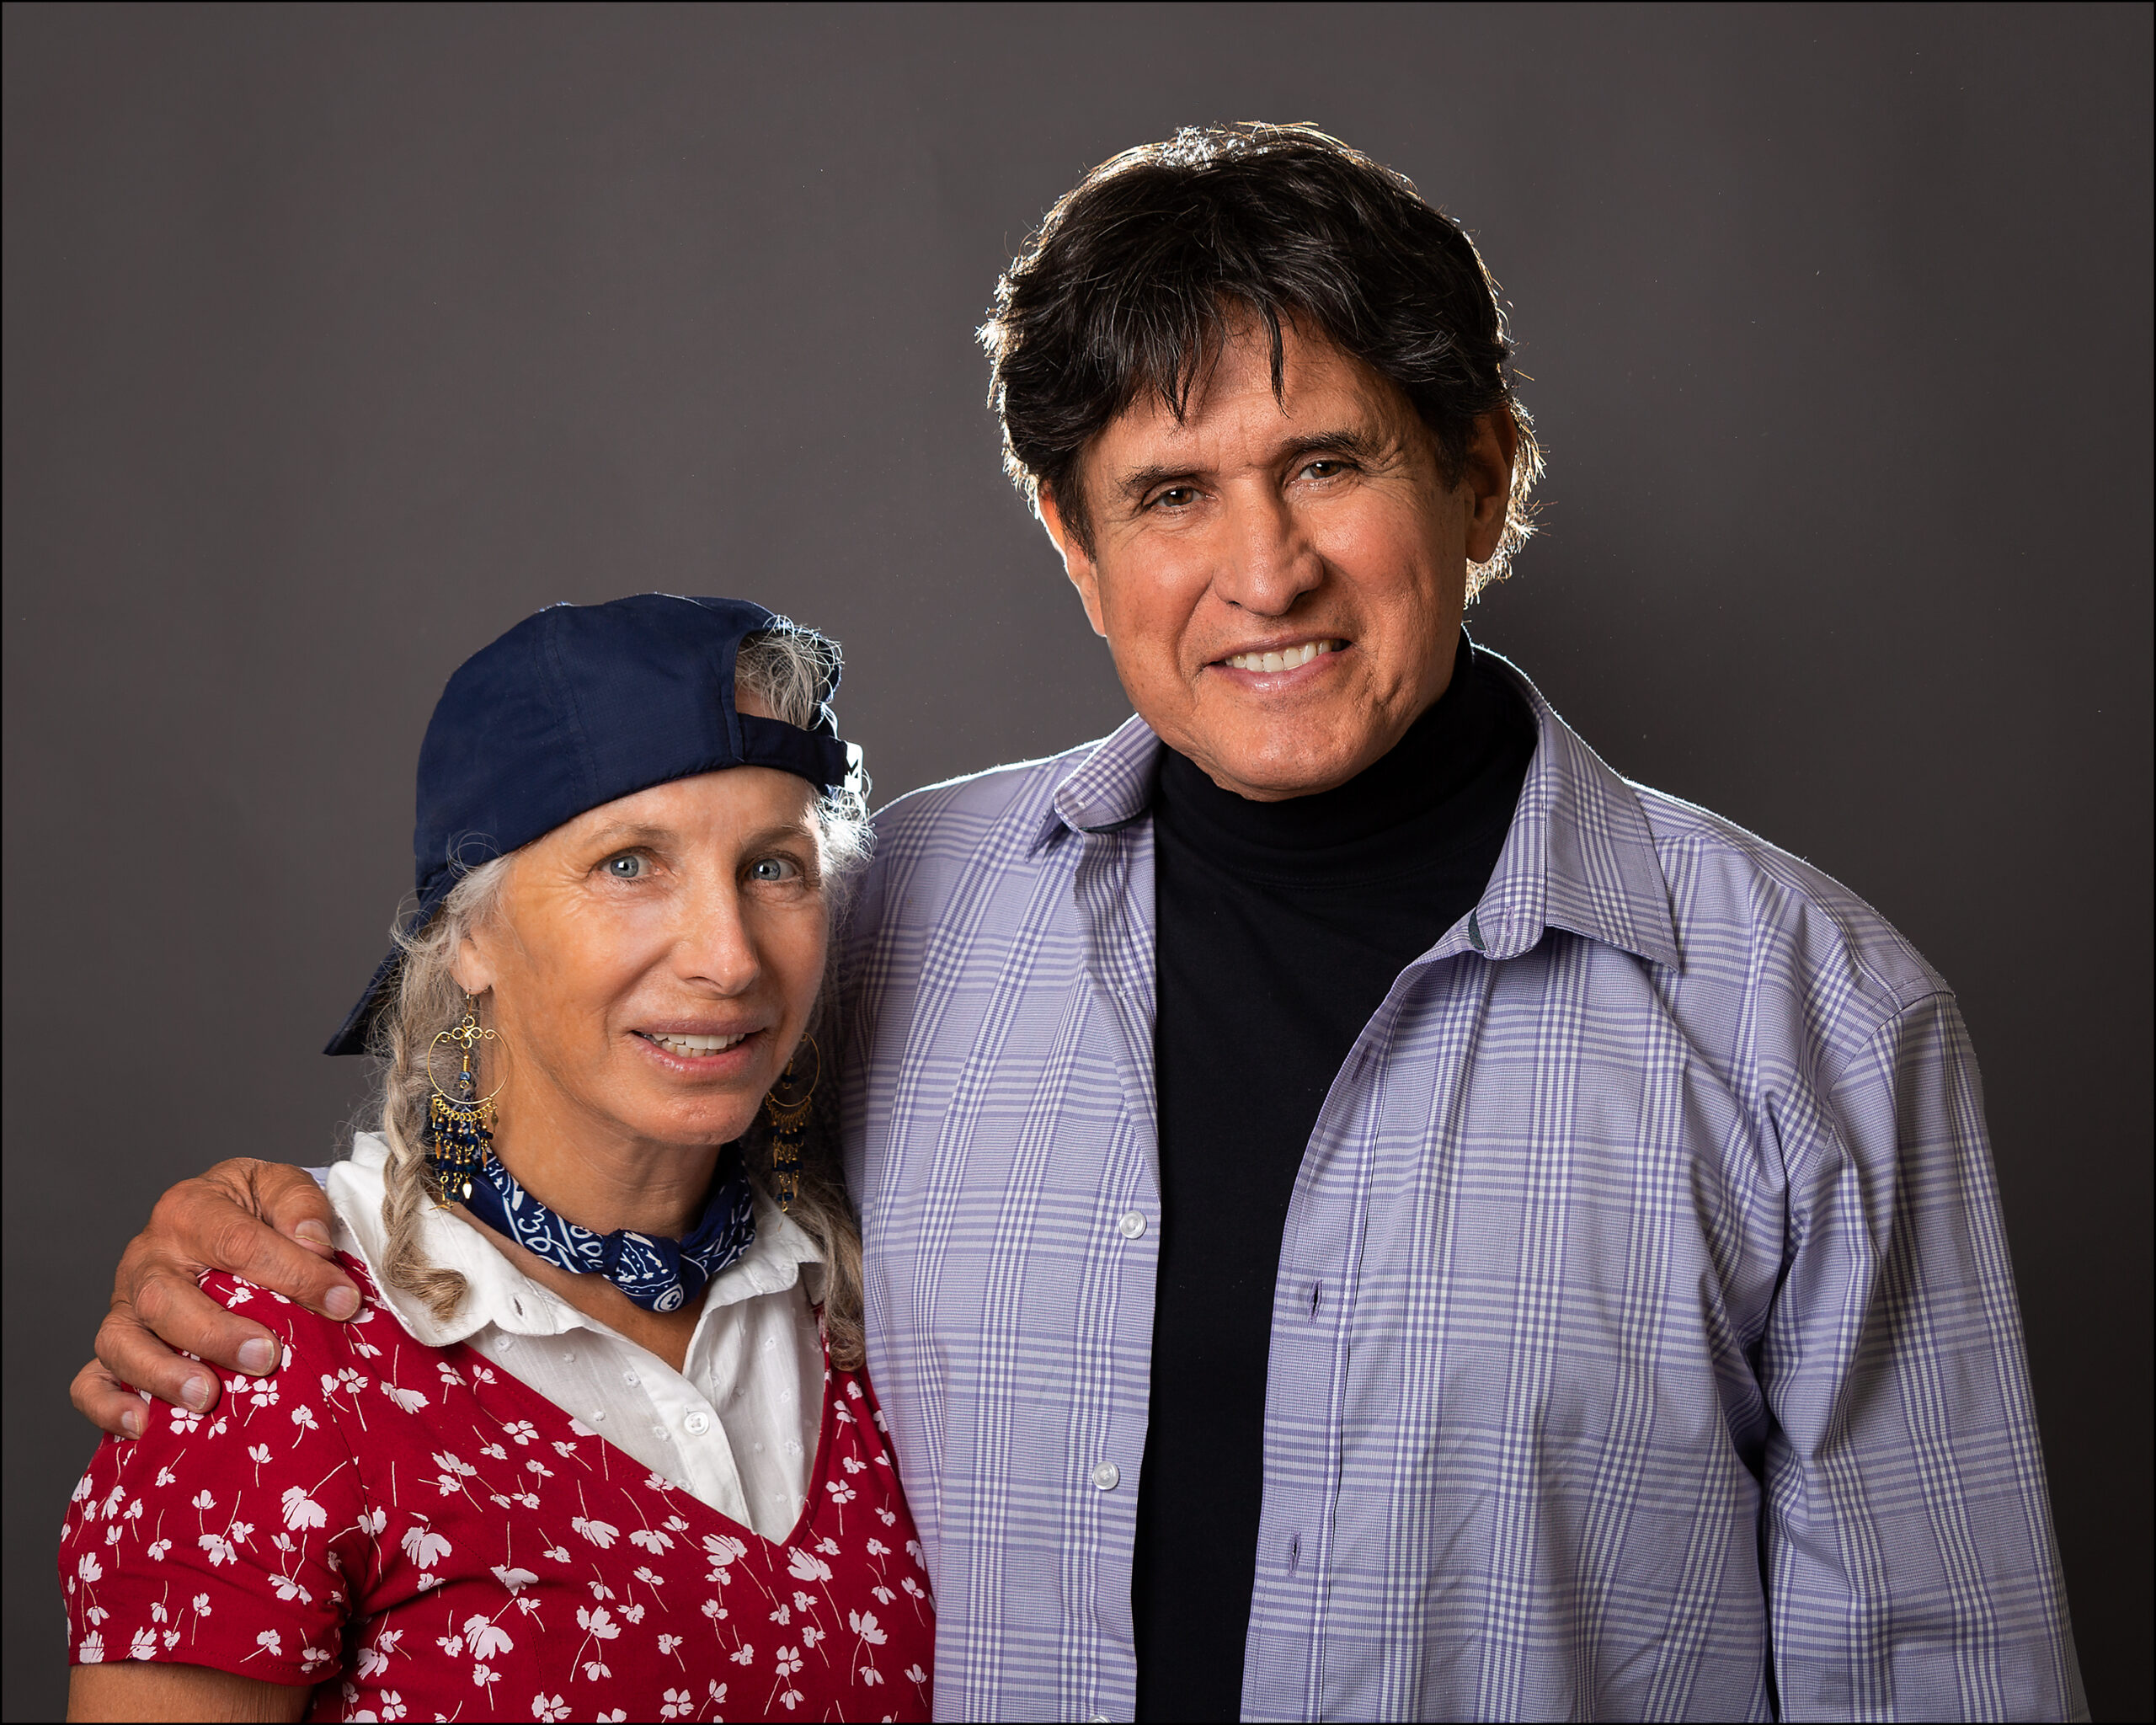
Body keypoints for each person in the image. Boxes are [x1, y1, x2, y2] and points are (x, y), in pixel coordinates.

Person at [74, 126, 2083, 1722]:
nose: (1261, 571)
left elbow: (1943, 1672)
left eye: (1326, 464)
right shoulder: (897, 918)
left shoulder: (1809, 1019)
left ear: (1477, 479)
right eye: (1170, 492)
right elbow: (601, 1149)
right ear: (1071, 537)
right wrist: (273, 1233)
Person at [61, 595, 933, 1722]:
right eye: (629, 864)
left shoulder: (876, 1301)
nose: (728, 959)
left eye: (774, 867)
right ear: (467, 933)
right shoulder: (273, 1348)